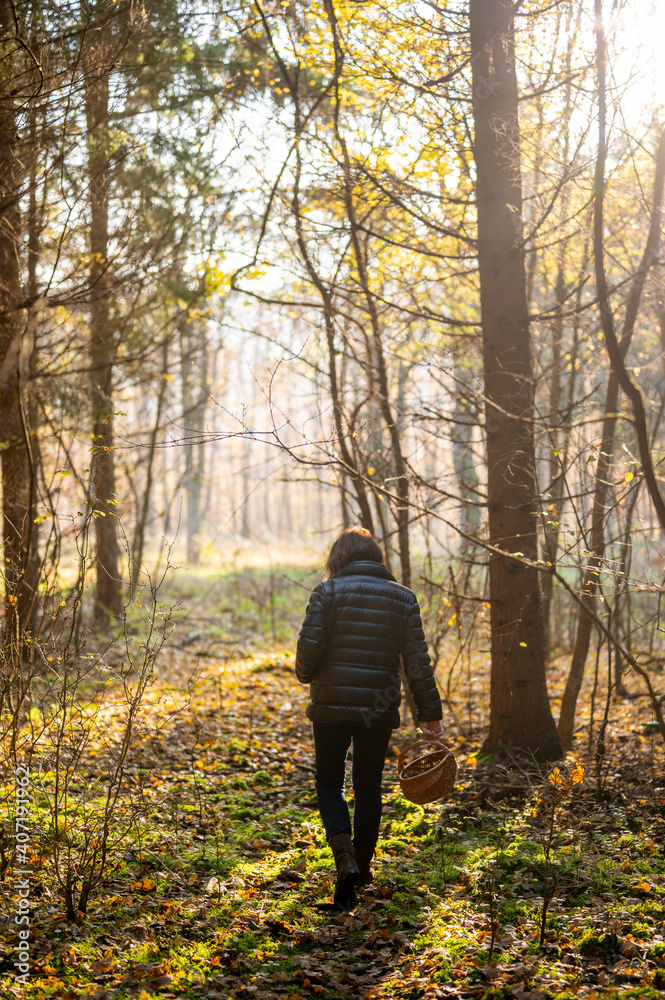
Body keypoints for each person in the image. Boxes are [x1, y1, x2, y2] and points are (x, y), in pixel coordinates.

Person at [295, 526, 444, 910]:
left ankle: (343, 859)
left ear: (338, 559)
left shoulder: (325, 592)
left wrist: (307, 674)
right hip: (378, 706)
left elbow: (308, 652)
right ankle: (361, 868)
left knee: (329, 781)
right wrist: (429, 714)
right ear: (376, 558)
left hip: (330, 703)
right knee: (368, 786)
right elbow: (417, 663)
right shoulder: (403, 598)